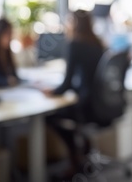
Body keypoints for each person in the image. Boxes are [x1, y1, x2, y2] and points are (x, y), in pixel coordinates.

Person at [42, 10, 104, 178]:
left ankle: (75, 158)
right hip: (99, 105)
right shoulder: (98, 43)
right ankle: (84, 150)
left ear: (74, 24)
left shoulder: (74, 45)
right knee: (66, 117)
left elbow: (67, 83)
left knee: (49, 116)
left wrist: (51, 92)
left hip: (84, 106)